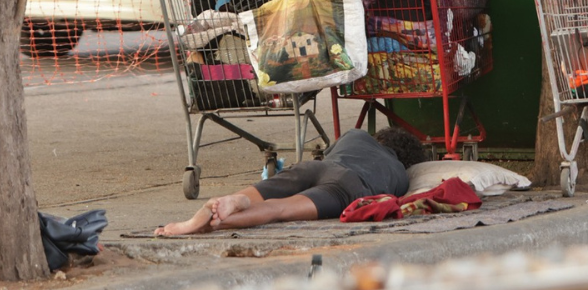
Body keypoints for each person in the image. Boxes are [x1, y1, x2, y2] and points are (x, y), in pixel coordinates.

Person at [154, 128, 427, 235]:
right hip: (348, 185)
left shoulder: (357, 135)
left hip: (317, 166)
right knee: (279, 209)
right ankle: (218, 222)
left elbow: (330, 152)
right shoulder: (400, 174)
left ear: (381, 138)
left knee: (265, 191)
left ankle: (234, 200)